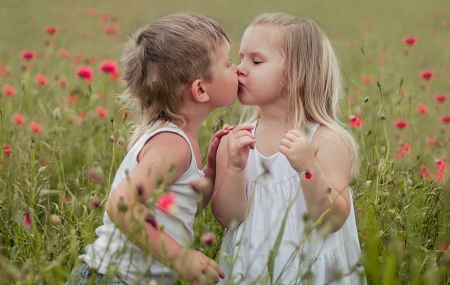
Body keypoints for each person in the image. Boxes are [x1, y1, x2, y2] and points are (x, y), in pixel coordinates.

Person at [66, 14, 238, 285]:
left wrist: (211, 171)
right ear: (200, 89)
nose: (237, 69)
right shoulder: (173, 145)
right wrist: (180, 257)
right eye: (228, 63)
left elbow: (177, 209)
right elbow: (122, 205)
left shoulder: (174, 140)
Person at [212, 13, 366, 285]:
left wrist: (308, 169)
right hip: (250, 270)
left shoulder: (325, 141)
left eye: (256, 61)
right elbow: (229, 217)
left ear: (296, 74)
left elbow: (332, 220)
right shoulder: (237, 140)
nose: (240, 68)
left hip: (310, 273)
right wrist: (235, 168)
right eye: (240, 57)